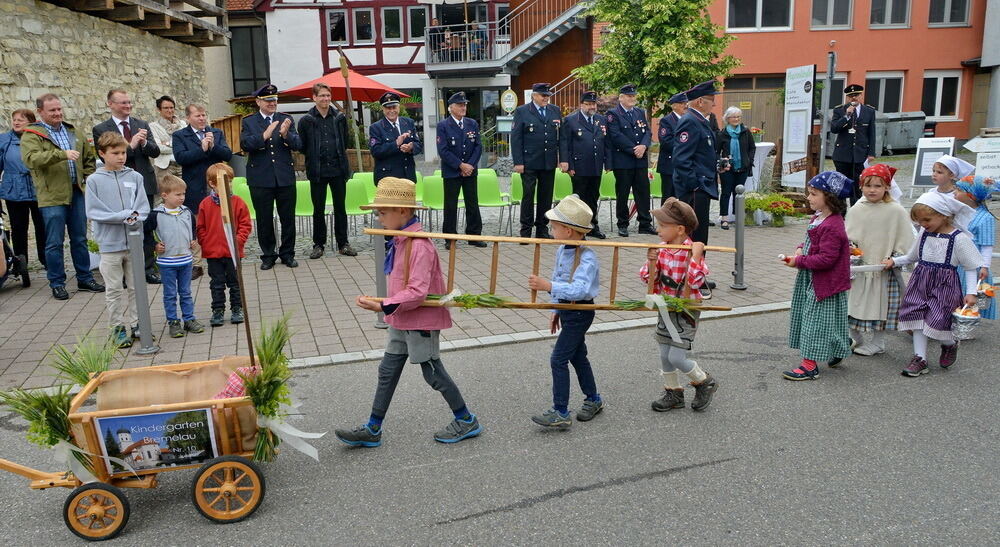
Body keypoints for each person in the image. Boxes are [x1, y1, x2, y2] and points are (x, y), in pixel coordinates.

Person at [336, 178, 483, 446]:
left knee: (432, 373)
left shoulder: (419, 245)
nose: (379, 219)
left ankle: (465, 419)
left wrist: (382, 305)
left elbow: (417, 292)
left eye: (382, 213)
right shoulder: (402, 240)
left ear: (403, 212)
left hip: (419, 320)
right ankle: (373, 427)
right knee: (387, 371)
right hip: (401, 319)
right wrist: (386, 304)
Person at [526, 195, 605, 427]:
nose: (551, 229)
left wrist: (547, 287)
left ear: (568, 231)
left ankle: (560, 410)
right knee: (578, 357)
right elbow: (558, 276)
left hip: (581, 312)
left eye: (554, 226)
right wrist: (556, 307)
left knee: (558, 359)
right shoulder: (562, 249)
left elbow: (579, 289)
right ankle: (594, 398)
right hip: (568, 310)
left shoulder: (587, 257)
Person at [885, 193, 982, 376]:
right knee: (917, 317)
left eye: (927, 219)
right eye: (920, 221)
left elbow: (971, 267)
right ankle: (920, 358)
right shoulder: (924, 233)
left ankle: (949, 344)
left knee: (938, 319)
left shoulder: (959, 238)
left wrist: (971, 292)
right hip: (920, 281)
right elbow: (912, 256)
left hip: (945, 285)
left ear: (943, 214)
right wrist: (895, 261)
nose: (923, 224)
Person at [20, 93, 105, 300]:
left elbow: (88, 158)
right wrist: (62, 154)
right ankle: (57, 283)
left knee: (79, 238)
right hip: (51, 195)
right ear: (40, 112)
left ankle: (84, 278)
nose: (58, 113)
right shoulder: (32, 134)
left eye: (59, 109)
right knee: (54, 242)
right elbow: (31, 159)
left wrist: (86, 178)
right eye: (52, 110)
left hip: (76, 192)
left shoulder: (72, 130)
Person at [639, 198, 718, 411]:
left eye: (663, 226)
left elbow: (695, 282)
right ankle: (673, 392)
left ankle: (704, 381)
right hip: (666, 307)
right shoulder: (662, 249)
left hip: (686, 310)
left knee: (676, 355)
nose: (658, 230)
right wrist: (651, 261)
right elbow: (647, 279)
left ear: (680, 229)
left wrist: (697, 256)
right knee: (664, 353)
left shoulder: (692, 251)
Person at [780, 171, 853, 381]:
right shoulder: (820, 217)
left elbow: (826, 259)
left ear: (829, 198)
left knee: (814, 322)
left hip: (824, 282)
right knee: (827, 320)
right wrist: (801, 248)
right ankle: (840, 348)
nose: (808, 198)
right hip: (815, 279)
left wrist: (799, 262)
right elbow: (811, 241)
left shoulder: (833, 226)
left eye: (813, 194)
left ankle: (809, 366)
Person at [84, 131, 150, 348]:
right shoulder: (94, 181)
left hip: (133, 242)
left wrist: (135, 217)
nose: (121, 157)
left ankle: (139, 323)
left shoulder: (135, 177)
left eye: (123, 152)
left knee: (136, 286)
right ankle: (117, 328)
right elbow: (95, 211)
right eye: (115, 153)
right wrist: (124, 216)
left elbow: (142, 207)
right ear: (102, 154)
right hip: (110, 245)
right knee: (113, 289)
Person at [93, 89, 161, 284]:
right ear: (110, 104)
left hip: (143, 181)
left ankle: (147, 269)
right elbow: (105, 157)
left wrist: (145, 143)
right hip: (117, 185)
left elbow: (155, 152)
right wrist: (130, 145)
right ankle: (125, 272)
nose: (128, 106)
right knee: (123, 225)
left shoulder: (141, 124)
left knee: (145, 225)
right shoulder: (101, 129)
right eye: (123, 103)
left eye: (129, 102)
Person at [845, 164, 913, 356]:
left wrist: (896, 258)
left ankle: (878, 342)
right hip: (859, 267)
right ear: (861, 187)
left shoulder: (895, 210)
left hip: (883, 267)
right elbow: (848, 234)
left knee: (880, 306)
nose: (872, 190)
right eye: (868, 186)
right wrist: (849, 248)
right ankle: (854, 337)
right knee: (853, 302)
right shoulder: (857, 208)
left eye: (877, 186)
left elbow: (906, 239)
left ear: (887, 187)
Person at [240, 84, 303, 269]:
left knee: (288, 218)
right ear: (258, 101)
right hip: (260, 177)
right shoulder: (249, 121)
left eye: (274, 100)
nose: (272, 103)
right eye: (268, 101)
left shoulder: (286, 119)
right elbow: (244, 144)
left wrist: (285, 135)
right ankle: (268, 254)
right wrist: (264, 135)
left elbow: (298, 143)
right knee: (264, 218)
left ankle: (287, 254)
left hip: (284, 176)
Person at [172, 103, 233, 280]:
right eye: (198, 116)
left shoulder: (216, 133)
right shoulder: (180, 135)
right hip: (194, 186)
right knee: (198, 225)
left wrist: (213, 146)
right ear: (188, 118)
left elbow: (228, 155)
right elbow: (181, 158)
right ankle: (197, 264)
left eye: (204, 115)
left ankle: (223, 257)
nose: (202, 119)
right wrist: (201, 149)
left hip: (216, 185)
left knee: (220, 221)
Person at [298, 82, 355, 259]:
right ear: (314, 98)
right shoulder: (306, 121)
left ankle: (343, 243)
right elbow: (302, 146)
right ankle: (318, 244)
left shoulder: (339, 118)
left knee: (340, 208)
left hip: (338, 169)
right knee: (318, 209)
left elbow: (345, 141)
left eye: (328, 96)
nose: (326, 99)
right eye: (322, 95)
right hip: (317, 171)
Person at [146, 175, 204, 339]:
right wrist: (154, 246)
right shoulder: (156, 214)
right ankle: (173, 322)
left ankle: (189, 319)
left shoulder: (186, 211)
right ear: (164, 195)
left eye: (183, 194)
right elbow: (146, 234)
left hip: (185, 260)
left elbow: (192, 228)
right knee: (170, 294)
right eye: (177, 194)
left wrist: (192, 240)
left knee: (185, 292)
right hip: (167, 262)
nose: (182, 198)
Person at [197, 163, 252, 327]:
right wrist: (206, 242)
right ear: (212, 184)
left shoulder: (238, 202)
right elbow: (200, 227)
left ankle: (237, 308)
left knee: (236, 283)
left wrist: (238, 241)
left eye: (230, 181)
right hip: (214, 253)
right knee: (217, 284)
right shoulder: (205, 204)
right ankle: (218, 310)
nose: (228, 185)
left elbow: (245, 225)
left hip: (233, 252)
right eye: (223, 182)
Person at [673, 80, 721, 246]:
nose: (714, 104)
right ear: (700, 101)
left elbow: (702, 153)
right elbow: (681, 158)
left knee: (700, 235)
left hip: (701, 186)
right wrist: (694, 184)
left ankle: (697, 268)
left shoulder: (700, 121)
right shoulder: (690, 121)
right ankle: (691, 270)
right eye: (711, 100)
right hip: (695, 188)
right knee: (695, 235)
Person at [511, 83, 561, 239]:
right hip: (529, 161)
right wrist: (518, 162)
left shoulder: (555, 110)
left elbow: (561, 137)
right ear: (534, 95)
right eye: (543, 95)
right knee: (528, 196)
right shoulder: (522, 111)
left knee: (545, 196)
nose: (546, 98)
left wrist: (562, 158)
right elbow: (516, 138)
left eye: (548, 95)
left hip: (548, 161)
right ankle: (525, 230)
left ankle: (542, 228)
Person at [436, 91, 486, 247]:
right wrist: (460, 165)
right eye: (460, 105)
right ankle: (450, 239)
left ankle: (474, 236)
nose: (463, 107)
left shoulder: (472, 123)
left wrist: (470, 165)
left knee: (472, 203)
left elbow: (478, 146)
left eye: (464, 104)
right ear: (451, 108)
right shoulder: (443, 125)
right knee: (450, 205)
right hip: (452, 171)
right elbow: (443, 150)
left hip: (470, 171)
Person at [1, 109, 46, 276]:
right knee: (18, 228)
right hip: (14, 189)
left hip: (37, 188)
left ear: (31, 122)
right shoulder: (4, 140)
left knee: (42, 226)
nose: (16, 122)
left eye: (21, 119)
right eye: (14, 119)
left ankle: (45, 259)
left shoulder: (39, 137)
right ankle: (21, 263)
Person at [559, 91, 608, 239]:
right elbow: (565, 143)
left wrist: (608, 162)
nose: (591, 107)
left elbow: (606, 142)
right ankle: (579, 229)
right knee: (580, 198)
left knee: (593, 196)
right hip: (579, 166)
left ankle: (593, 225)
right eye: (588, 104)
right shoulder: (571, 120)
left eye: (594, 104)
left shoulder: (601, 119)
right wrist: (569, 165)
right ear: (581, 104)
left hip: (595, 164)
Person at [606, 84, 653, 237]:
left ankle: (645, 223)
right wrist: (635, 149)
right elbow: (616, 136)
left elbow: (647, 131)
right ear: (621, 98)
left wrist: (644, 146)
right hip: (623, 159)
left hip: (640, 160)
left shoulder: (640, 112)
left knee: (643, 192)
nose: (632, 98)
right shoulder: (613, 114)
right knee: (623, 193)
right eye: (629, 96)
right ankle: (623, 224)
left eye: (634, 96)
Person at [955, 176, 995, 321]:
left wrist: (985, 266)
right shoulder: (960, 212)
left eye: (959, 190)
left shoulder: (985, 218)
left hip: (974, 263)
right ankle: (957, 318)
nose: (955, 192)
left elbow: (986, 245)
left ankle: (968, 322)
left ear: (971, 195)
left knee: (969, 292)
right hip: (958, 261)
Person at [830, 84, 877, 205]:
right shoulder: (839, 110)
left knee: (857, 186)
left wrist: (871, 152)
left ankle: (856, 212)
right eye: (850, 96)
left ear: (861, 96)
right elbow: (834, 129)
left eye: (856, 95)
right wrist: (846, 116)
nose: (853, 98)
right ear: (847, 97)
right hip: (842, 155)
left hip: (860, 154)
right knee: (841, 186)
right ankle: (841, 214)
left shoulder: (869, 111)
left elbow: (872, 133)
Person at [715, 106, 756, 230]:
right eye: (734, 117)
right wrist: (722, 163)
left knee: (738, 193)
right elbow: (717, 151)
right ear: (728, 118)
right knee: (726, 192)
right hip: (727, 168)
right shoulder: (722, 133)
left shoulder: (745, 131)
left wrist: (749, 161)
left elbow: (752, 147)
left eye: (738, 116)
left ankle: (737, 217)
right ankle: (724, 219)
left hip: (742, 167)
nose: (737, 119)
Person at [928, 154, 976, 230]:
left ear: (951, 175)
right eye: (933, 171)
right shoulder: (931, 192)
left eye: (939, 172)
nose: (934, 174)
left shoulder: (957, 195)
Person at [655, 92, 687, 204]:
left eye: (686, 103)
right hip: (669, 165)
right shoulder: (667, 120)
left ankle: (681, 219)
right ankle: (666, 220)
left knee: (683, 196)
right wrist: (685, 146)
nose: (685, 105)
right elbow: (666, 141)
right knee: (669, 196)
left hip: (684, 164)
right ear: (674, 105)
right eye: (682, 103)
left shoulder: (687, 119)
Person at [148, 95, 187, 186]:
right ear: (159, 109)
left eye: (171, 107)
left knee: (184, 194)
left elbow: (188, 143)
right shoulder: (153, 126)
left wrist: (167, 143)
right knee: (165, 195)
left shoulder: (182, 124)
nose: (169, 110)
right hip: (165, 167)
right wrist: (179, 146)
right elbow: (158, 148)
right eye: (166, 108)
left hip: (183, 165)